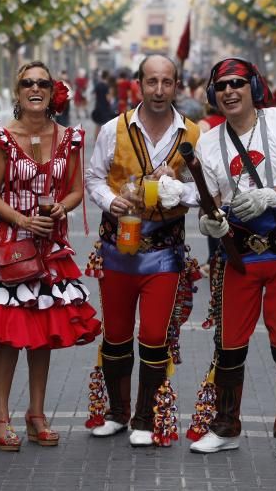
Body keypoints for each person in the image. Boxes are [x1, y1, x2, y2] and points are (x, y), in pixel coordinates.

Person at [0, 61, 101, 452]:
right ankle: (0, 415)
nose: (34, 88)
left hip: (51, 249)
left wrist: (60, 209)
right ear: (17, 91)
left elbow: (74, 190)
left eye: (42, 83)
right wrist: (23, 219)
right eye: (27, 83)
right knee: (7, 334)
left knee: (44, 335)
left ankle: (36, 412)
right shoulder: (1, 136)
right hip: (12, 245)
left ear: (52, 90)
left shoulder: (69, 137)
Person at [187, 57, 276, 460]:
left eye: (237, 83)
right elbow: (212, 200)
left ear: (253, 87)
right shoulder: (209, 141)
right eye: (221, 85)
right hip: (238, 256)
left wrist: (273, 194)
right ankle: (225, 426)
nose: (229, 91)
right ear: (213, 94)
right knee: (228, 344)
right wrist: (212, 221)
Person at [84, 54, 201, 447]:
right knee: (116, 334)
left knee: (153, 334)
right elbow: (93, 177)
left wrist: (178, 189)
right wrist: (109, 200)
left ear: (177, 86)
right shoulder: (113, 128)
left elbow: (207, 191)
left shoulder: (193, 134)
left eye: (167, 82)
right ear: (138, 84)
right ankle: (116, 413)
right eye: (152, 81)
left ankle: (145, 418)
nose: (159, 90)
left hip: (164, 251)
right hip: (118, 247)